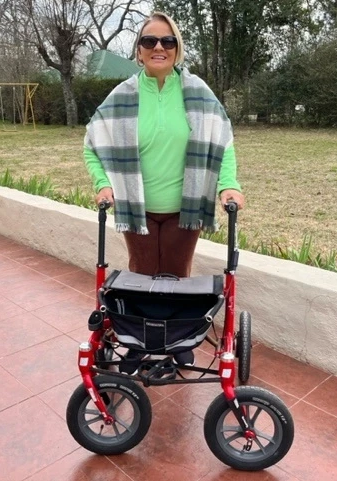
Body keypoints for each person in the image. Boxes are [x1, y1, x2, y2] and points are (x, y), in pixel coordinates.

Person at [84, 11, 244, 372]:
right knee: (140, 276)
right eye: (150, 40)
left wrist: (228, 185)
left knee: (176, 277)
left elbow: (223, 142)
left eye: (167, 41)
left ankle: (176, 341)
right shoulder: (122, 95)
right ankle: (138, 342)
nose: (159, 47)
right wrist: (103, 183)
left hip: (184, 209)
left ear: (177, 48)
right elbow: (91, 144)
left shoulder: (197, 92)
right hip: (135, 208)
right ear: (139, 50)